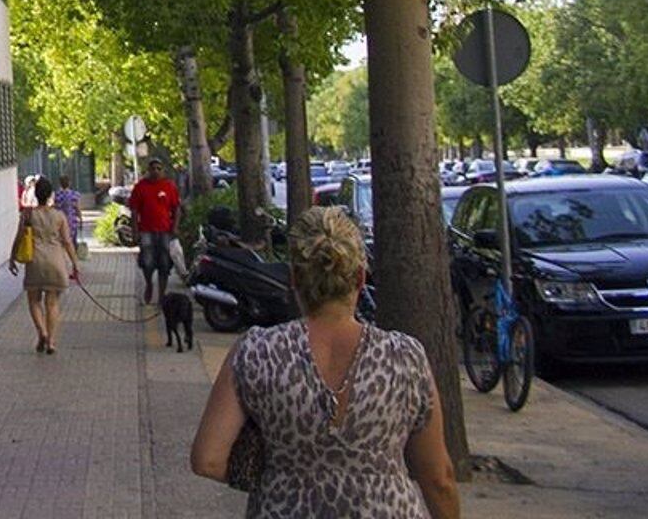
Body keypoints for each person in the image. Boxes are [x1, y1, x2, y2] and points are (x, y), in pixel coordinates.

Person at [189, 206, 459, 518]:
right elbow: (439, 478)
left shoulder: (257, 351)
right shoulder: (405, 357)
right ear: (359, 277)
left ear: (294, 279)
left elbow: (207, 459)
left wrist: (275, 478)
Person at [7, 175, 78, 354]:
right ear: (50, 195)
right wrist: (75, 264)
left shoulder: (28, 214)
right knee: (52, 303)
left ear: (35, 194)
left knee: (34, 300)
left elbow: (19, 237)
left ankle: (42, 332)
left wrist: (12, 257)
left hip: (35, 261)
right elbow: (67, 242)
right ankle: (52, 341)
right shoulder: (59, 216)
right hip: (56, 261)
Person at [129, 157, 181, 303]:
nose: (156, 171)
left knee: (164, 263)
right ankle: (149, 284)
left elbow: (176, 208)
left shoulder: (169, 186)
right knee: (147, 262)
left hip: (165, 231)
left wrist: (175, 227)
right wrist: (135, 231)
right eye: (153, 169)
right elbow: (134, 211)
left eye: (159, 168)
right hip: (146, 231)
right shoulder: (140, 187)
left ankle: (161, 295)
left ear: (163, 170)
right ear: (148, 171)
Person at [55, 175, 83, 247]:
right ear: (69, 183)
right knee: (72, 241)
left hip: (60, 221)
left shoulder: (57, 195)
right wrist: (80, 219)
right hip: (72, 221)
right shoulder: (75, 195)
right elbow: (77, 208)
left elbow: (55, 208)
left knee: (61, 240)